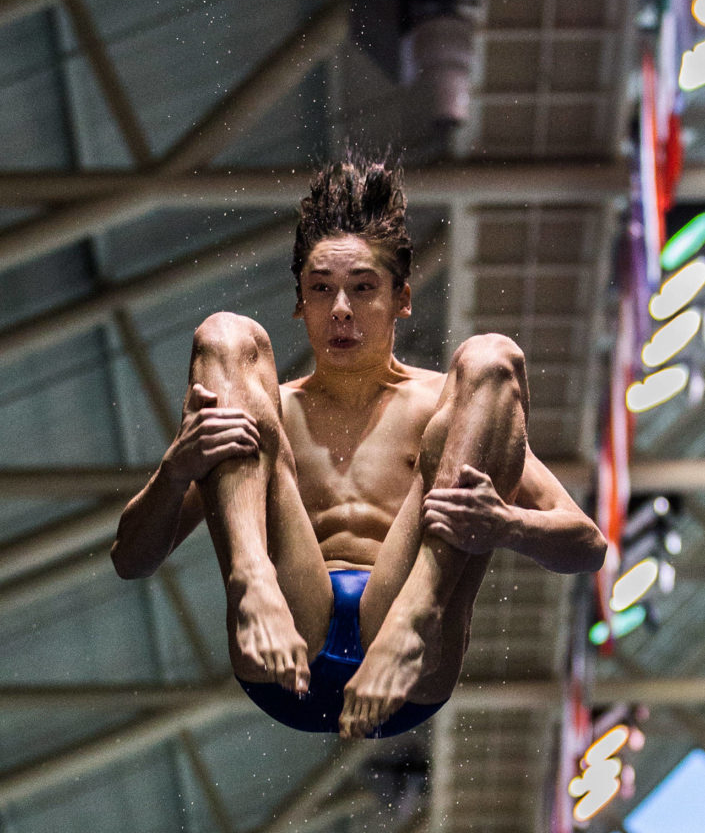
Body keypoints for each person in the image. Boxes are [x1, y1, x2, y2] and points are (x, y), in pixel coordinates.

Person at [111, 155, 607, 740]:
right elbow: (130, 559)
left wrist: (505, 525)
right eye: (321, 289)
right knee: (225, 334)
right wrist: (175, 471)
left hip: (408, 650)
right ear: (300, 301)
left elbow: (588, 547)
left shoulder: (451, 412)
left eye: (362, 288)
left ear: (402, 298)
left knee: (492, 358)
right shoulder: (261, 411)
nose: (340, 310)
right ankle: (252, 582)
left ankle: (415, 616)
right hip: (283, 636)